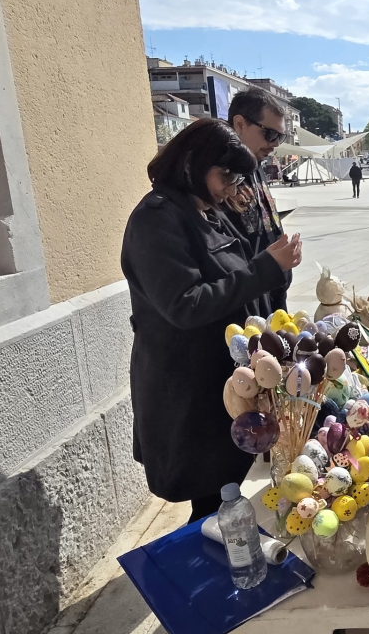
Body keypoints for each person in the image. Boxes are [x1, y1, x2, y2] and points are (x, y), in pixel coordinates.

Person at [121, 119, 303, 523]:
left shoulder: (207, 211)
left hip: (224, 383)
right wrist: (264, 269)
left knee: (230, 492)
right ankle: (210, 573)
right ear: (191, 163)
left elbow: (240, 275)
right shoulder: (157, 219)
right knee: (211, 502)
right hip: (189, 389)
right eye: (224, 174)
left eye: (237, 176)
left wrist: (276, 270)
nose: (230, 186)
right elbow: (185, 304)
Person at [226, 87, 290, 315]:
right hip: (245, 303)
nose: (274, 144)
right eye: (270, 134)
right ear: (240, 124)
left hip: (271, 296)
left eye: (280, 137)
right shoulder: (220, 177)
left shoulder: (255, 167)